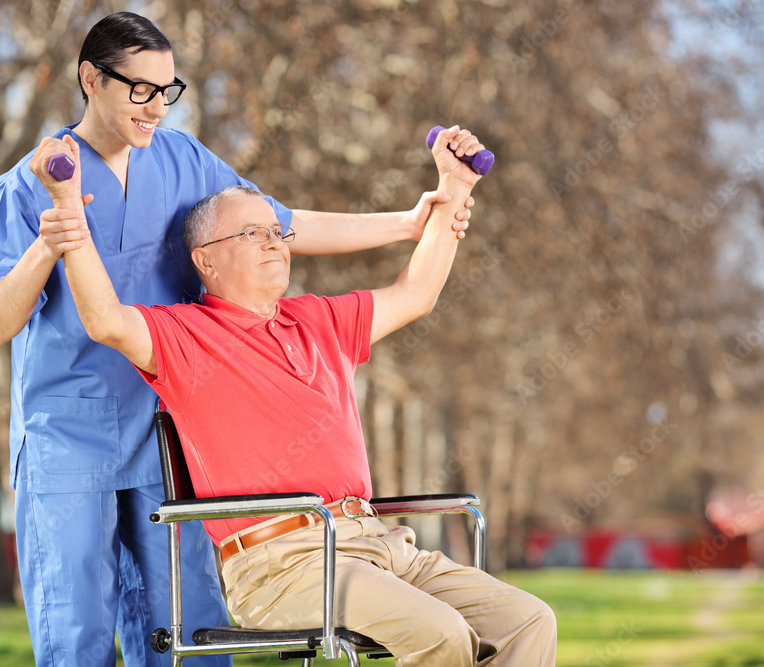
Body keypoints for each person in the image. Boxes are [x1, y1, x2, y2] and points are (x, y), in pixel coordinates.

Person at [0, 11, 474, 667]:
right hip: (69, 437)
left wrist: (407, 224)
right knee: (75, 637)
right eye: (139, 89)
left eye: (167, 90)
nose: (155, 107)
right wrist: (49, 242)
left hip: (169, 434)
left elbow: (282, 225)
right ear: (91, 79)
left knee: (188, 631)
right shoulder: (26, 186)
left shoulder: (181, 160)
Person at [45, 125, 558, 666]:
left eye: (276, 231)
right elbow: (104, 320)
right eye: (251, 233)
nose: (273, 241)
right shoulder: (185, 334)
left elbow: (415, 294)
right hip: (281, 566)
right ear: (205, 261)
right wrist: (69, 216)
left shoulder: (318, 318)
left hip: (376, 543)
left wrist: (455, 186)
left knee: (528, 621)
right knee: (442, 633)